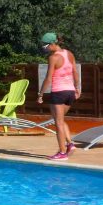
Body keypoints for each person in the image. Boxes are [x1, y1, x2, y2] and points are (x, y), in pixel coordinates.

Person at [37, 32, 81, 161]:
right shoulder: (69, 54)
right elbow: (75, 72)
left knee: (58, 122)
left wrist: (40, 94)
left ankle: (62, 152)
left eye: (45, 46)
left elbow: (48, 78)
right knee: (60, 119)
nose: (44, 48)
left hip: (58, 92)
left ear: (52, 44)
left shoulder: (53, 57)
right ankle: (70, 144)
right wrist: (77, 88)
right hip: (70, 92)